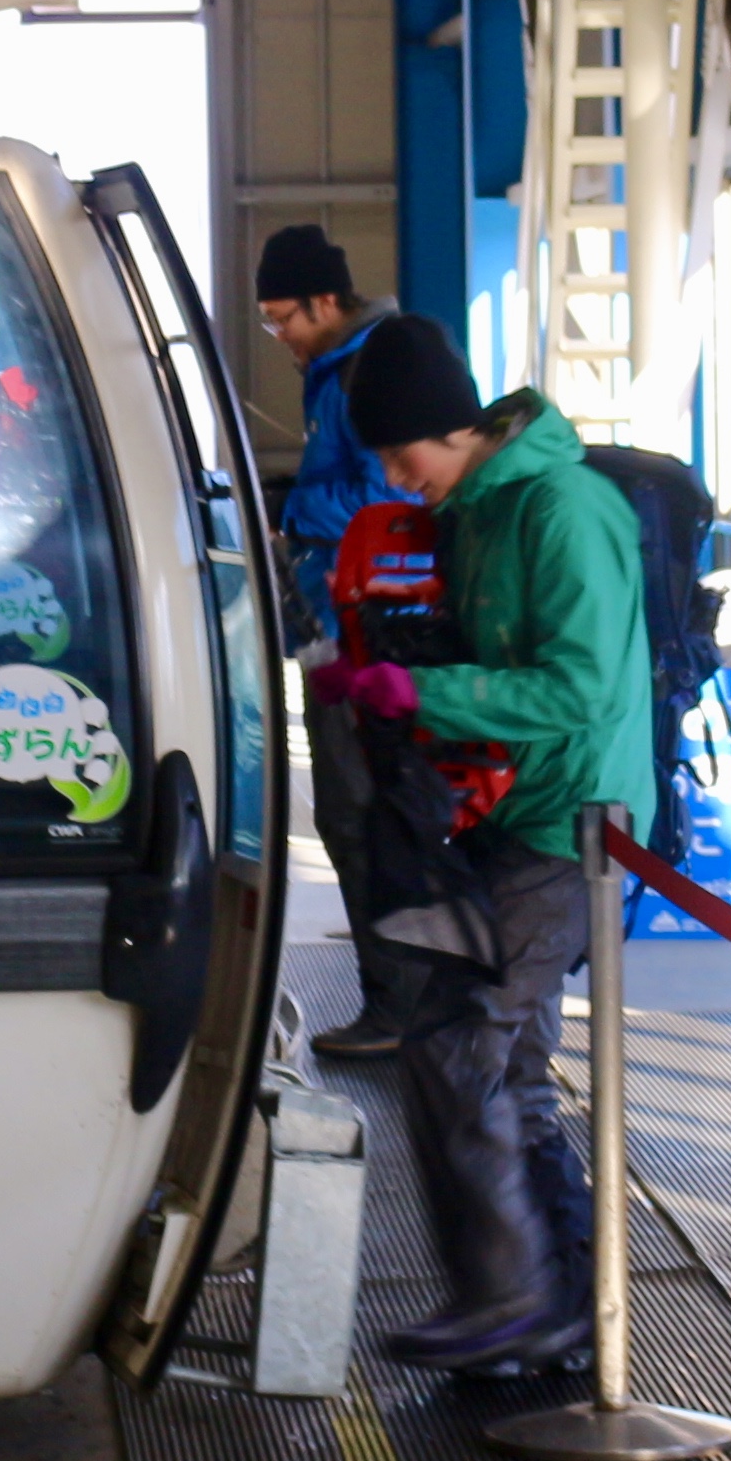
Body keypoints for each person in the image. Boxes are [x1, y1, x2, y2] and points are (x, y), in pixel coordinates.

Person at [318, 317, 649, 1376]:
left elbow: (581, 687)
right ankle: (565, 1304)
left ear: (452, 428)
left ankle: (510, 1298)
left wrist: (425, 691)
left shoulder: (563, 509)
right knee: (511, 1063)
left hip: (574, 821)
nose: (391, 474)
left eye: (398, 449)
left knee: (457, 1042)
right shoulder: (469, 511)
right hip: (507, 813)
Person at [258, 224, 425, 1057]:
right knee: (350, 816)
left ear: (326, 301)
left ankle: (403, 1008)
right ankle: (397, 1000)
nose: (279, 336)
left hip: (374, 636)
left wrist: (286, 512)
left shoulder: (372, 369)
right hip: (336, 626)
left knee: (366, 817)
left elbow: (387, 497)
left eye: (283, 318)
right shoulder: (334, 372)